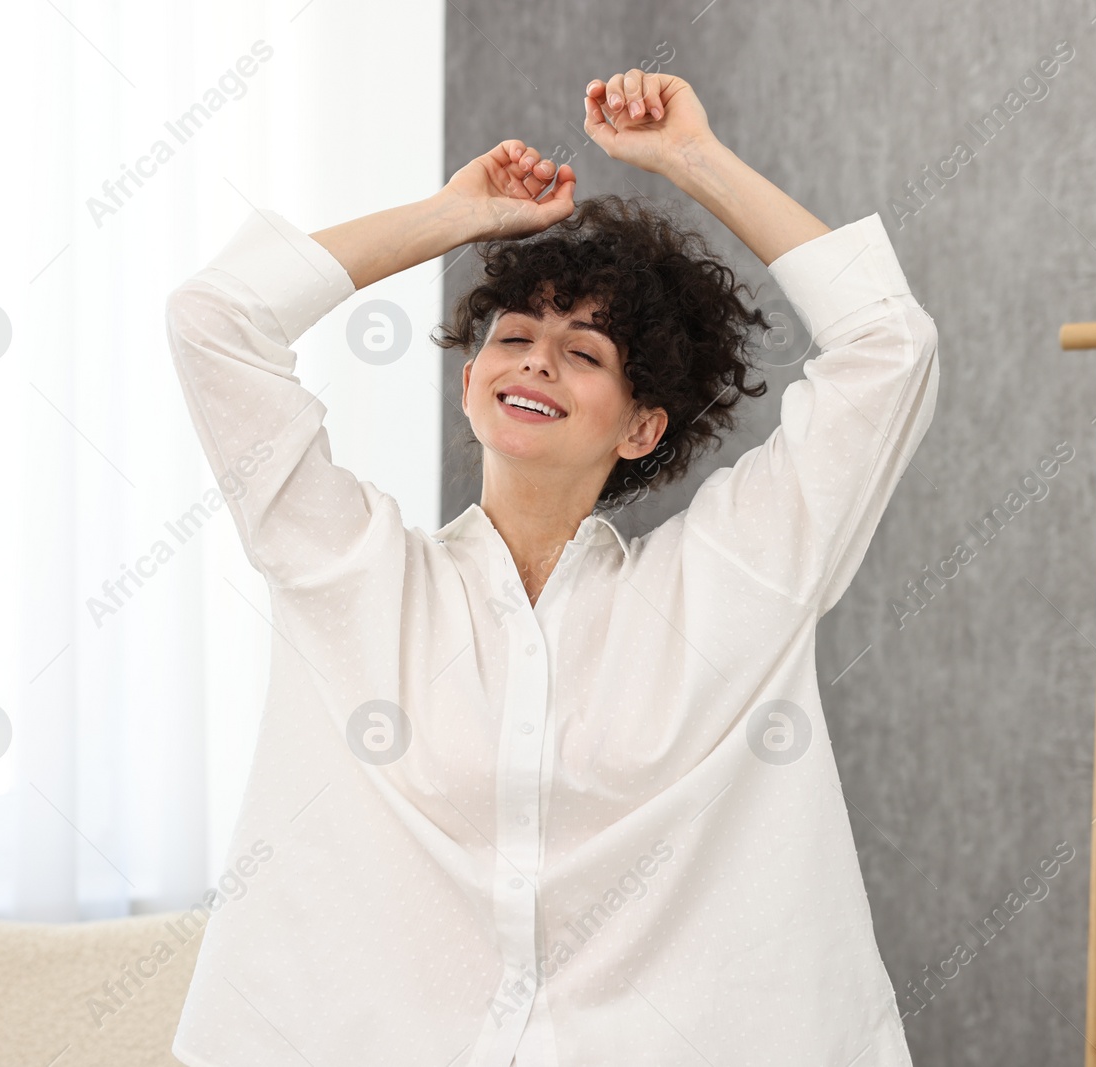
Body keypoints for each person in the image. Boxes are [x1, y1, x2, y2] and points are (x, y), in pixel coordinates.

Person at [165, 66, 939, 1067]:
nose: (534, 360)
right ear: (470, 380)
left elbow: (887, 342)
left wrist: (692, 159)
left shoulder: (728, 582)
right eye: (514, 335)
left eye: (583, 353)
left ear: (642, 423)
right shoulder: (351, 575)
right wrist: (449, 217)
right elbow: (213, 318)